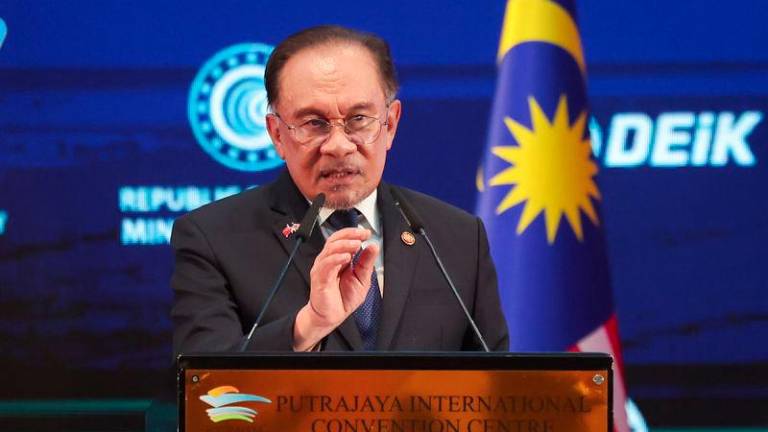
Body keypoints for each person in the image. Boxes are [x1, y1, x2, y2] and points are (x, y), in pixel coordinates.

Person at [171, 25, 508, 354]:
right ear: (277, 134)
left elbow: (498, 389)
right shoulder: (213, 238)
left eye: (359, 119)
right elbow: (204, 389)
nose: (338, 145)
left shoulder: (458, 238)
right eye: (314, 123)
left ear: (390, 125)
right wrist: (309, 326)